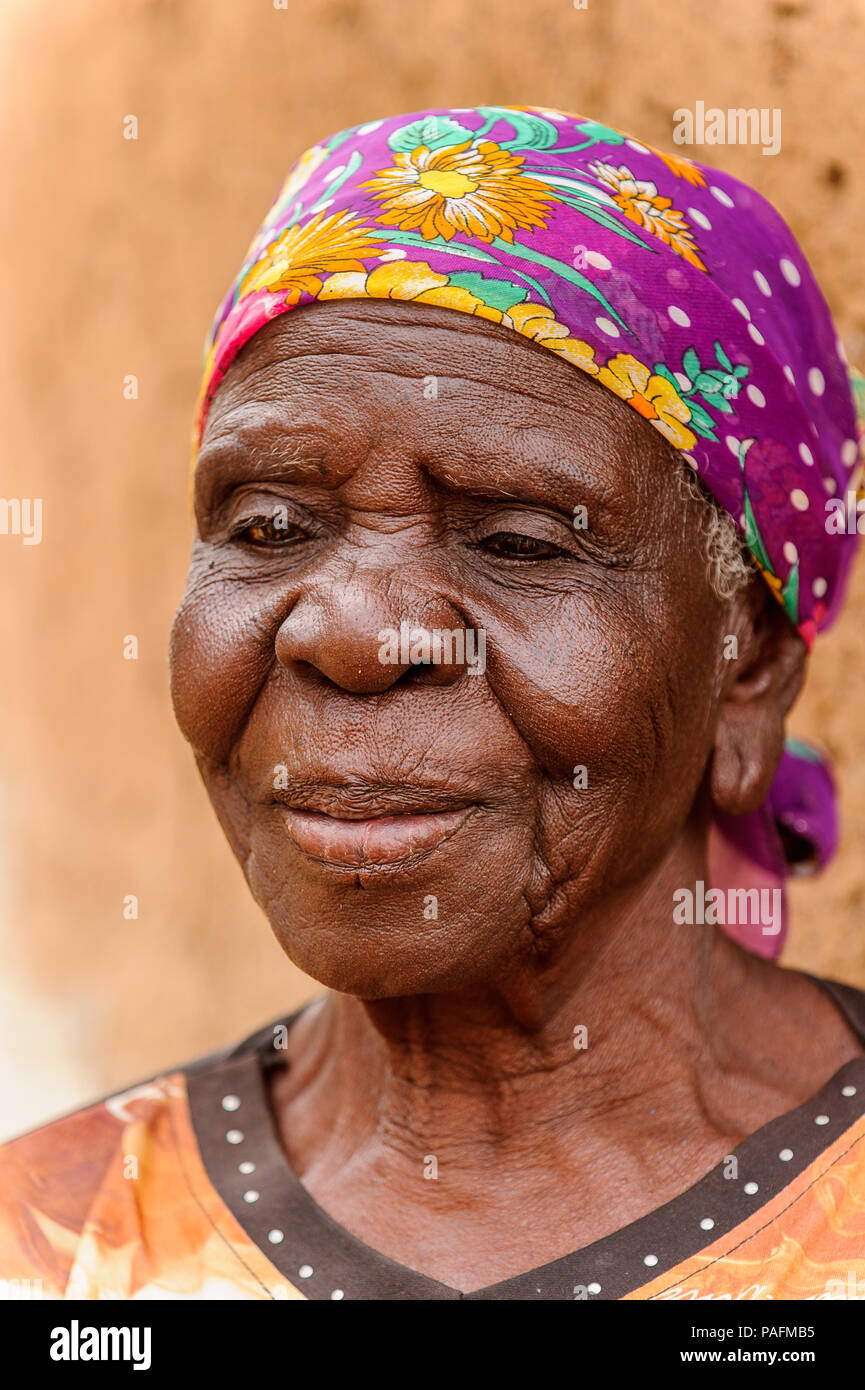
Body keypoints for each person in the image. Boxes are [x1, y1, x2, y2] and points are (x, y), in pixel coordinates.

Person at [2, 105, 865, 1302]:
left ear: (747, 658)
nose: (353, 635)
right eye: (266, 527)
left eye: (516, 540)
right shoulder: (52, 1243)